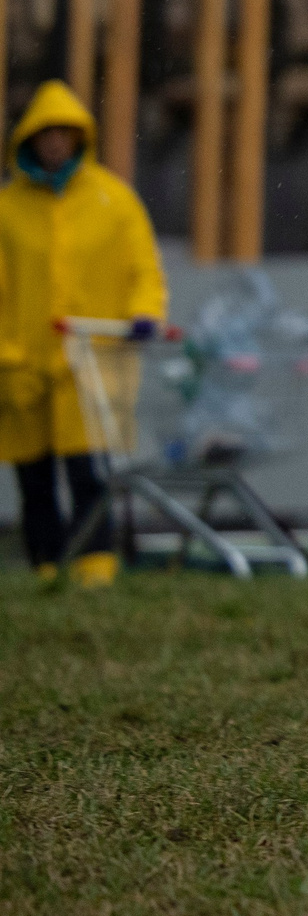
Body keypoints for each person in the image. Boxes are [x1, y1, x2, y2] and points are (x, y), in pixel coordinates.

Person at [0, 82, 166, 586]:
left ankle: (95, 563)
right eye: (46, 134)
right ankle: (46, 565)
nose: (55, 144)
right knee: (34, 476)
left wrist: (143, 313)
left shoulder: (112, 200)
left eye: (64, 134)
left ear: (79, 138)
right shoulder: (9, 209)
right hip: (22, 362)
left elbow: (144, 269)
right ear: (30, 138)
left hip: (91, 362)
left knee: (89, 470)